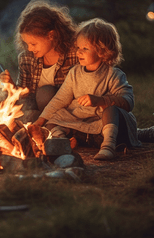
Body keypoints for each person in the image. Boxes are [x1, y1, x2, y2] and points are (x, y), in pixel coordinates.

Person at [34, 18, 141, 160]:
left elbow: (128, 102)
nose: (79, 52)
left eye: (85, 49)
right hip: (81, 126)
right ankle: (62, 142)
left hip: (104, 127)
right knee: (53, 120)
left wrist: (100, 100)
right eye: (78, 48)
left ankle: (108, 147)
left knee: (111, 110)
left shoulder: (113, 74)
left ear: (103, 51)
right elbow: (60, 99)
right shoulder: (74, 72)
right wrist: (40, 121)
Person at [0, 0, 78, 122]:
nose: (29, 48)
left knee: (45, 93)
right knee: (11, 115)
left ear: (51, 35)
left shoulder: (74, 55)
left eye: (33, 44)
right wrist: (11, 85)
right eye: (27, 43)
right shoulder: (27, 58)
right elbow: (25, 97)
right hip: (37, 112)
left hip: (67, 112)